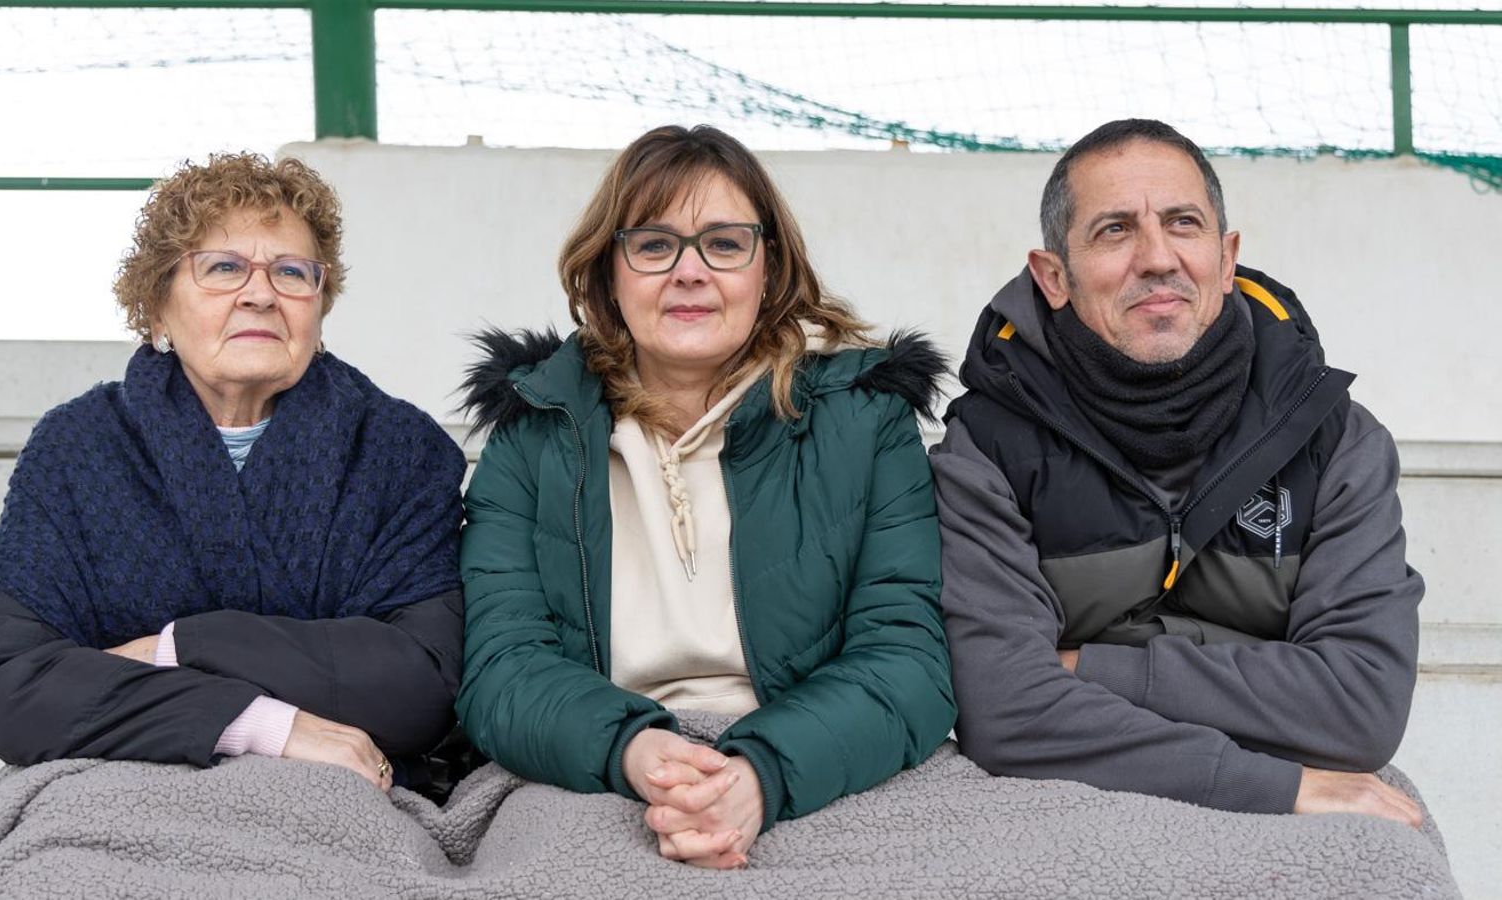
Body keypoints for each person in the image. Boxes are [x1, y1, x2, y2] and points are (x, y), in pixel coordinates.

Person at [457, 124, 956, 868]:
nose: (690, 272)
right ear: (609, 273)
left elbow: (908, 659)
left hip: (821, 755)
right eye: (654, 245)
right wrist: (637, 752)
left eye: (724, 244)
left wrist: (761, 773)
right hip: (601, 762)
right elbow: (501, 668)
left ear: (769, 268)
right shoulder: (534, 432)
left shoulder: (865, 419)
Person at [931, 119, 1425, 825]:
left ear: (1226, 260)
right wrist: (1273, 785)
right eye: (1114, 231)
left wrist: (1088, 669)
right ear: (1053, 277)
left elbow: (1360, 706)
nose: (1157, 258)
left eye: (1182, 224)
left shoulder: (1337, 439)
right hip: (1101, 807)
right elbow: (1005, 712)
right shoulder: (986, 446)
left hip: (1125, 769)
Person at [0, 152, 466, 791]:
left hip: (353, 793)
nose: (260, 293)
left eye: (291, 272)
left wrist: (177, 648)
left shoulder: (399, 450)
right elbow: (8, 683)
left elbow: (420, 685)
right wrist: (260, 723)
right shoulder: (79, 448)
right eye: (224, 268)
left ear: (318, 304)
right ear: (157, 309)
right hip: (117, 786)